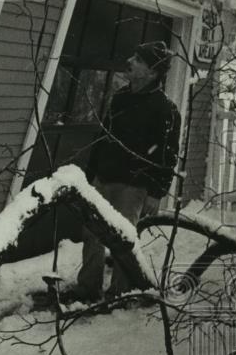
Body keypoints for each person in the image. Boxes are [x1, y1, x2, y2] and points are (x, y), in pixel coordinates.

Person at [77, 40, 182, 301]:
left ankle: (120, 293)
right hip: (103, 178)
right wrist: (89, 175)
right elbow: (104, 137)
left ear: (152, 71)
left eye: (138, 59)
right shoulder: (121, 98)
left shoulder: (165, 109)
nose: (131, 61)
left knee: (123, 241)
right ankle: (88, 289)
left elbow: (167, 154)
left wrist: (156, 192)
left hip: (133, 186)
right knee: (92, 234)